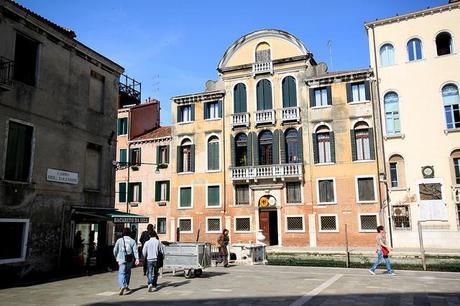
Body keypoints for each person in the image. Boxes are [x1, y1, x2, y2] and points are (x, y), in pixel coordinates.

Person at [113, 227, 140, 295]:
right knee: (128, 272)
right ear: (129, 233)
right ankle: (126, 285)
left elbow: (115, 250)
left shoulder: (119, 240)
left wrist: (116, 256)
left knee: (121, 273)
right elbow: (135, 251)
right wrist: (137, 259)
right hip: (129, 259)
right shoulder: (132, 241)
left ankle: (122, 285)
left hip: (121, 259)